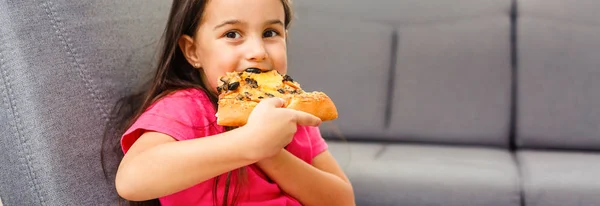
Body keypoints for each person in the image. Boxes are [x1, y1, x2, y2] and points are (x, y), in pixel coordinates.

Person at [108, 0, 355, 205]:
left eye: (270, 33)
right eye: (232, 34)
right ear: (192, 51)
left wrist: (271, 154)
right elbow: (132, 180)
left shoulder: (292, 112)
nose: (258, 51)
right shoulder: (185, 108)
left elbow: (343, 201)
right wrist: (248, 143)